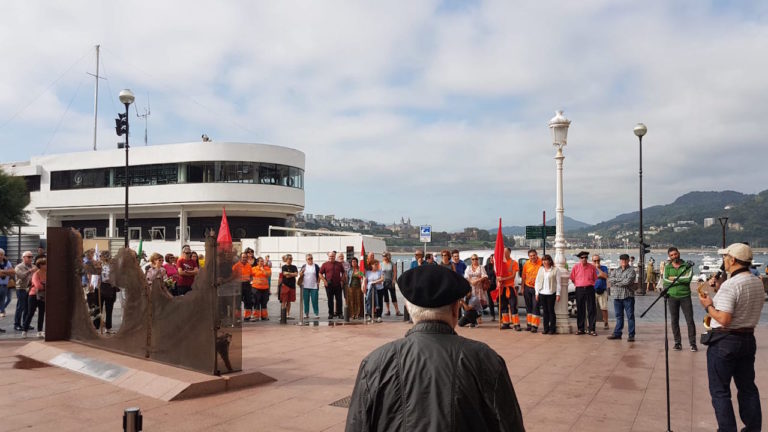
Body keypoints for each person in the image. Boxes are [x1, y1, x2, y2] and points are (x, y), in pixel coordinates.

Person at [345, 265, 525, 431]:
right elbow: (510, 425)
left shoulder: (375, 362)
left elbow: (357, 425)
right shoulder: (485, 358)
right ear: (456, 309)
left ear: (408, 307)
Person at [699, 243, 763, 431]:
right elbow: (738, 303)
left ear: (733, 260)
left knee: (720, 392)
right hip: (747, 339)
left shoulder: (732, 284)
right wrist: (719, 289)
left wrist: (708, 305)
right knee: (747, 388)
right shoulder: (755, 282)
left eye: (725, 258)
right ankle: (753, 428)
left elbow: (724, 319)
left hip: (725, 341)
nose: (723, 261)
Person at [663, 246, 696, 352]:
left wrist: (673, 279)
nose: (674, 256)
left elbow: (688, 279)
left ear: (679, 253)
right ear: (669, 256)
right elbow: (665, 281)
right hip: (672, 296)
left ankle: (693, 343)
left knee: (689, 320)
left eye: (675, 254)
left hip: (685, 296)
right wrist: (677, 280)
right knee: (674, 320)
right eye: (672, 255)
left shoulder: (687, 265)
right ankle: (677, 343)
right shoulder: (667, 267)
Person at [606, 254, 637, 342]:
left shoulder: (631, 271)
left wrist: (616, 282)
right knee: (619, 316)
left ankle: (631, 335)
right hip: (617, 296)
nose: (623, 261)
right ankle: (617, 334)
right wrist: (620, 281)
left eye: (625, 260)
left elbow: (627, 282)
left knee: (630, 316)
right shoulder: (616, 270)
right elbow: (610, 279)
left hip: (628, 296)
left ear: (628, 261)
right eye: (622, 260)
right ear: (620, 261)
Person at [570, 251, 597, 335]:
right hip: (579, 289)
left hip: (590, 289)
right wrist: (579, 284)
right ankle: (580, 329)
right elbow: (572, 278)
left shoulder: (592, 267)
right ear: (579, 259)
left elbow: (595, 278)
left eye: (586, 257)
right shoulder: (575, 267)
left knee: (591, 309)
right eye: (582, 257)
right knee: (580, 309)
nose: (584, 259)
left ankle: (592, 329)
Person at [534, 254, 561, 335]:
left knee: (551, 311)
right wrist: (537, 292)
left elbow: (558, 283)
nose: (545, 262)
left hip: (551, 293)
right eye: (543, 260)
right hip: (542, 293)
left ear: (550, 261)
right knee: (545, 312)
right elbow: (537, 281)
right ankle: (545, 328)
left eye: (546, 260)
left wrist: (558, 294)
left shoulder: (556, 270)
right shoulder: (541, 269)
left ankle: (552, 329)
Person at [23, 258, 46, 338]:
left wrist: (44, 285)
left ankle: (39, 331)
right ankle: (24, 331)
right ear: (40, 265)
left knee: (41, 313)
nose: (46, 265)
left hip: (43, 296)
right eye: (44, 264)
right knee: (30, 313)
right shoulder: (36, 274)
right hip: (33, 295)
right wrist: (45, 285)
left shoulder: (47, 273)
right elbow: (38, 286)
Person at [498, 247, 521, 330]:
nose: (504, 254)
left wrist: (503, 279)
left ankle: (516, 324)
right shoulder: (500, 263)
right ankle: (506, 323)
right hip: (502, 288)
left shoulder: (514, 263)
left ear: (509, 253)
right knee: (503, 306)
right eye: (503, 252)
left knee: (513, 306)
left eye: (505, 252)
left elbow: (513, 276)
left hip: (510, 287)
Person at [14, 251, 37, 331]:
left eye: (32, 257)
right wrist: (30, 271)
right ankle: (17, 324)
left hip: (30, 289)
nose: (31, 258)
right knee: (21, 307)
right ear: (23, 258)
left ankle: (25, 324)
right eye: (29, 257)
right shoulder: (19, 267)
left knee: (28, 307)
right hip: (21, 288)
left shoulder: (33, 266)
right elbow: (21, 276)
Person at [319, 251, 345, 319]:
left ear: (335, 256)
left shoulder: (339, 264)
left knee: (339, 299)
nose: (331, 257)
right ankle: (331, 314)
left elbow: (344, 272)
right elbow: (320, 273)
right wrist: (324, 281)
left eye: (333, 256)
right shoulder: (325, 264)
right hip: (329, 284)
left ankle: (340, 313)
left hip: (338, 284)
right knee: (330, 300)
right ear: (328, 257)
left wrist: (342, 280)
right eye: (330, 256)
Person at [464, 254, 488, 325]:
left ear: (478, 259)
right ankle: (473, 318)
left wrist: (477, 280)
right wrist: (471, 281)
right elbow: (466, 276)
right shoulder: (468, 267)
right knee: (472, 303)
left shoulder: (481, 267)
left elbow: (485, 276)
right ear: (471, 260)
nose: (475, 260)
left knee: (479, 304)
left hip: (479, 288)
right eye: (473, 259)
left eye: (476, 259)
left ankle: (478, 316)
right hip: (471, 288)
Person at [96, 251, 117, 333]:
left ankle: (108, 327)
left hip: (110, 287)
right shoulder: (99, 265)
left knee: (109, 309)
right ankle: (97, 326)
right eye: (100, 256)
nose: (100, 257)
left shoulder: (113, 266)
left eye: (102, 256)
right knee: (98, 308)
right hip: (101, 287)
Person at [522, 249, 542, 332]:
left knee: (535, 306)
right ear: (528, 257)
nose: (532, 257)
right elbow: (523, 276)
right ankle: (529, 324)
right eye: (530, 256)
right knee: (528, 307)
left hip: (537, 289)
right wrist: (522, 287)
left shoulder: (541, 263)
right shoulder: (526, 264)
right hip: (527, 287)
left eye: (534, 255)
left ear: (536, 255)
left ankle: (535, 326)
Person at [232, 252, 253, 321]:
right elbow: (232, 276)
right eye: (243, 257)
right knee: (238, 302)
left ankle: (247, 317)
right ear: (240, 258)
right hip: (238, 285)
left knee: (248, 301)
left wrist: (250, 281)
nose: (244, 259)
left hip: (247, 285)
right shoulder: (236, 266)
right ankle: (237, 317)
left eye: (245, 257)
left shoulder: (249, 266)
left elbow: (251, 275)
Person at [380, 252, 401, 316]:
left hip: (390, 281)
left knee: (393, 296)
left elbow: (395, 273)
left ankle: (397, 311)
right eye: (383, 256)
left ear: (388, 256)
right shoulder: (381, 264)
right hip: (384, 282)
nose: (384, 257)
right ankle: (388, 310)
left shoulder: (392, 264)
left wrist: (394, 280)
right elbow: (380, 273)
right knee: (386, 297)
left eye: (385, 256)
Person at [299, 254, 320, 319]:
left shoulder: (316, 266)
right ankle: (306, 313)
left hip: (314, 286)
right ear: (306, 260)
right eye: (308, 259)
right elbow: (300, 274)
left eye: (311, 258)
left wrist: (318, 282)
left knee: (314, 300)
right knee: (306, 301)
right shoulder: (304, 266)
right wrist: (301, 272)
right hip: (305, 286)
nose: (310, 260)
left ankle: (316, 313)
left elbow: (319, 275)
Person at [592, 255, 610, 330]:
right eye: (595, 261)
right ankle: (592, 323)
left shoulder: (604, 268)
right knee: (592, 308)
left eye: (598, 260)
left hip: (602, 290)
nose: (597, 262)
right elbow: (592, 277)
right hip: (593, 290)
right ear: (592, 261)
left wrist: (598, 268)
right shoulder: (590, 268)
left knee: (604, 308)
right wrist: (599, 275)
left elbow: (605, 276)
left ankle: (606, 322)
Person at [280, 254, 298, 320]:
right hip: (285, 285)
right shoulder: (284, 267)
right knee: (284, 300)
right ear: (286, 260)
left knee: (289, 301)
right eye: (289, 259)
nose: (290, 260)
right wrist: (292, 274)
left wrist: (289, 274)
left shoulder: (294, 267)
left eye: (291, 259)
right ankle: (283, 314)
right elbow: (285, 274)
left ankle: (288, 314)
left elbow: (296, 274)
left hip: (292, 285)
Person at [0, 248, 14, 322]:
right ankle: (2, 310)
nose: (0, 256)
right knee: (2, 300)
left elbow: (12, 271)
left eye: (2, 255)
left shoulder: (7, 262)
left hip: (6, 284)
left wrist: (3, 271)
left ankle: (2, 310)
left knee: (7, 299)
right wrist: (7, 272)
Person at [484, 254, 497, 321]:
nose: (492, 260)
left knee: (499, 301)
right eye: (491, 258)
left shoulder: (498, 266)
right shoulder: (487, 266)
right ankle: (493, 315)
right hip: (490, 286)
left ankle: (501, 316)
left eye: (493, 258)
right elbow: (485, 275)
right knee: (491, 301)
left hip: (497, 286)